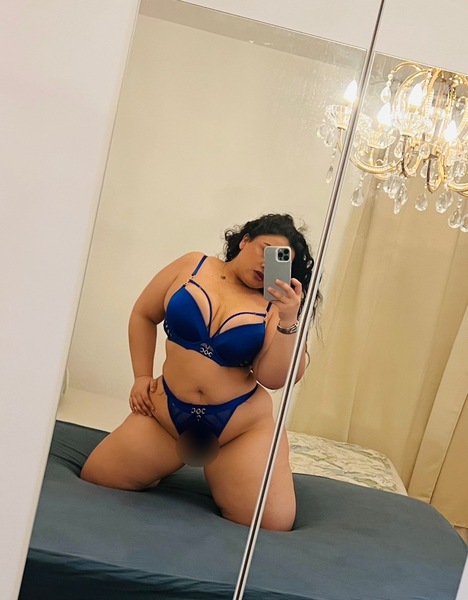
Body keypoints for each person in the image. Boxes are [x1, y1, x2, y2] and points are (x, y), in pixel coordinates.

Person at [81, 213, 317, 531]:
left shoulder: (275, 308)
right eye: (266, 250)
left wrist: (289, 320)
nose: (266, 264)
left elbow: (274, 379)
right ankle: (159, 467)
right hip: (166, 416)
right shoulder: (193, 265)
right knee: (97, 476)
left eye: (279, 259)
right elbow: (143, 314)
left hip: (239, 430)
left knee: (272, 523)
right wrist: (141, 377)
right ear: (245, 241)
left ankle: (258, 463)